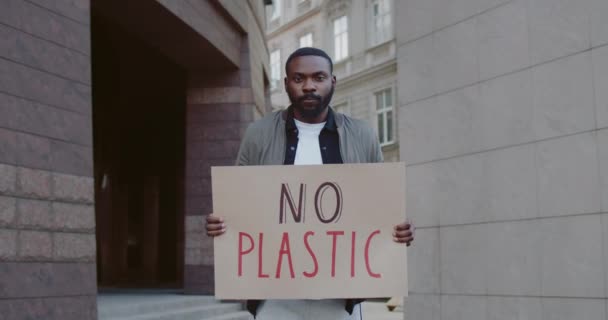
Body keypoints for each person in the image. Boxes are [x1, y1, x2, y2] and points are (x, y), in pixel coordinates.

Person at [206, 47, 414, 320]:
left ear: (332, 81)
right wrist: (221, 224)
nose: (309, 86)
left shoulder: (362, 135)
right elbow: (239, 207)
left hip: (341, 299)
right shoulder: (258, 135)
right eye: (299, 78)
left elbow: (379, 209)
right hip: (275, 296)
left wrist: (397, 231)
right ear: (286, 84)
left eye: (318, 77)